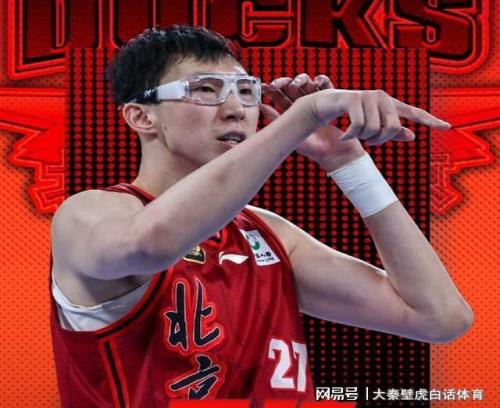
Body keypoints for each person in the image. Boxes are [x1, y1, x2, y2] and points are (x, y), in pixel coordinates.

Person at [50, 25, 473, 406]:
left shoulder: (269, 233)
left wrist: (348, 163)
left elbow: (439, 317)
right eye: (206, 89)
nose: (237, 109)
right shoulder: (88, 214)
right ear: (142, 116)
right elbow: (152, 245)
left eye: (246, 91)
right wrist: (302, 118)